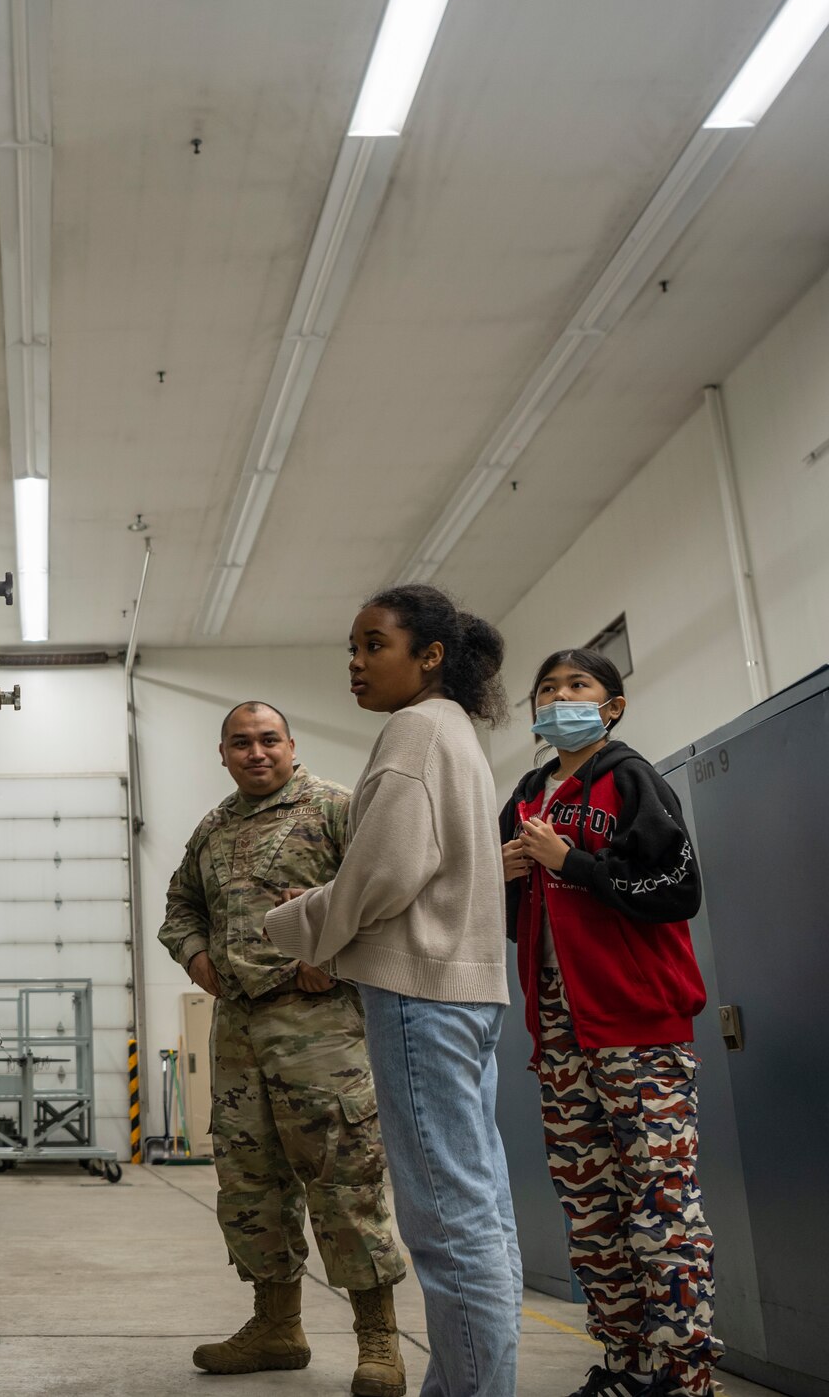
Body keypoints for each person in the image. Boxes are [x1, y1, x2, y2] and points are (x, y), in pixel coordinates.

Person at [264, 585, 522, 1397]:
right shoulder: (456, 733)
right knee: (480, 1212)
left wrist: (296, 925)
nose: (356, 662)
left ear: (430, 655)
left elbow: (380, 873)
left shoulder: (414, 732)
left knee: (447, 1221)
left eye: (374, 645)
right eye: (352, 646)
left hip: (422, 997)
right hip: (469, 994)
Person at [162, 701, 408, 1397]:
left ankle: (379, 1339)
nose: (256, 751)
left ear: (292, 745)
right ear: (223, 753)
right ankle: (277, 1327)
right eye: (241, 742)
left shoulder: (335, 809)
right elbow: (180, 906)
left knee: (344, 1179)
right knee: (249, 1184)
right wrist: (195, 955)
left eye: (269, 739)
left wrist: (336, 949)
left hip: (320, 1025)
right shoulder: (212, 828)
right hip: (238, 1031)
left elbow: (385, 897)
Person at [500, 649, 718, 1397]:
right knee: (591, 1212)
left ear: (613, 705)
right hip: (562, 1033)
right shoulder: (528, 795)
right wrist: (502, 876)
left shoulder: (631, 779)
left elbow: (676, 888)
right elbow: (517, 920)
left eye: (579, 686)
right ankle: (628, 1365)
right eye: (549, 688)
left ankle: (685, 1377)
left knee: (659, 1203)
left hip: (639, 1026)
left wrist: (574, 861)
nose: (562, 696)